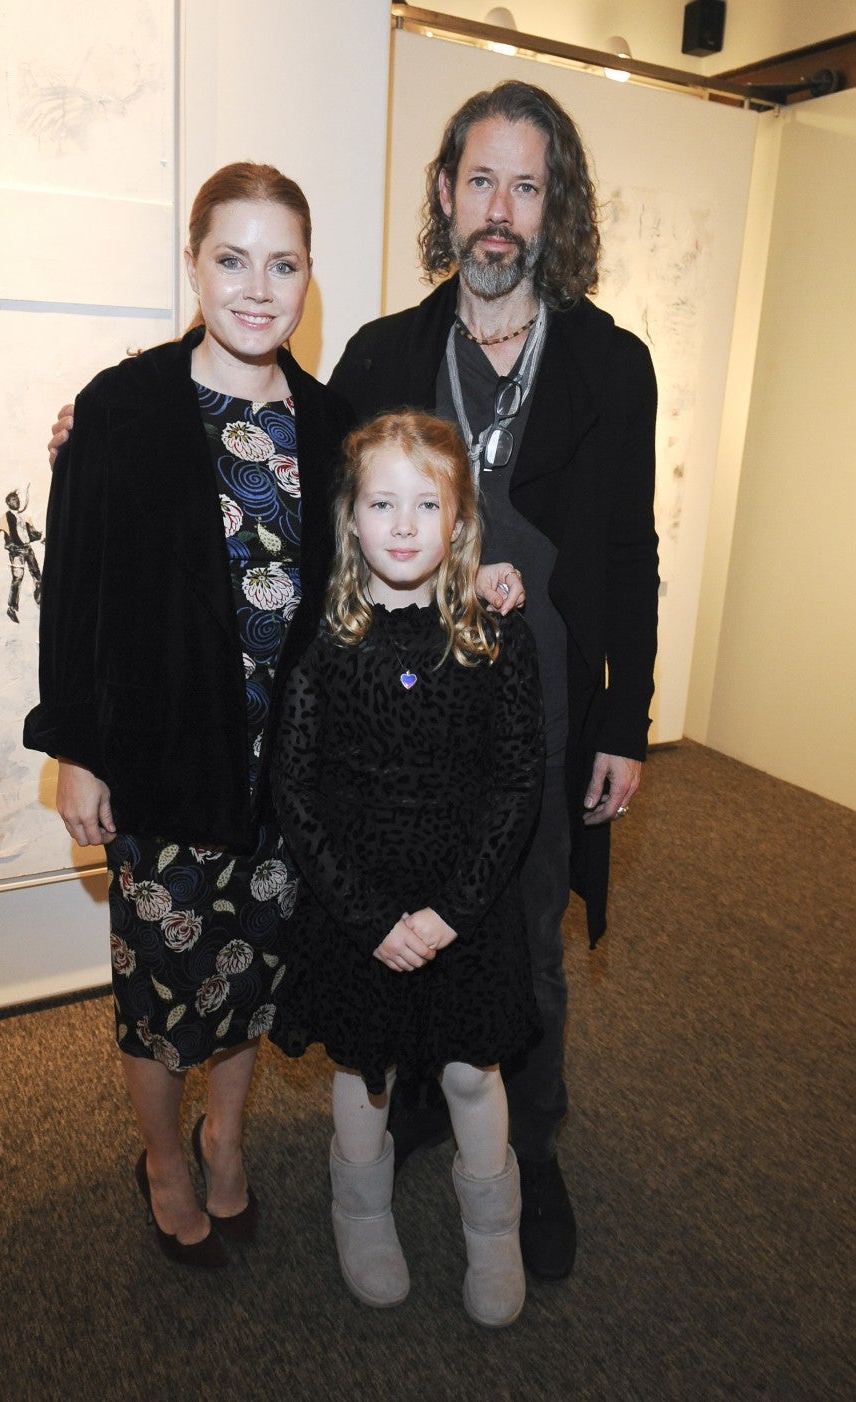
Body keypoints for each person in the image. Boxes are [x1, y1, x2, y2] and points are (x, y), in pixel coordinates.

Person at [327, 80, 659, 1281]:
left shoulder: (611, 365)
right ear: (445, 191)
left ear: (552, 203)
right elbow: (295, 469)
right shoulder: (382, 354)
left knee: (523, 942)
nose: (501, 211)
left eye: (526, 185)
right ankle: (423, 1098)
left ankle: (532, 1145)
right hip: (402, 722)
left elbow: (630, 551)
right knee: (408, 919)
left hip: (546, 717)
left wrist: (625, 719)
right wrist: (117, 425)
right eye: (481, 181)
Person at [24, 162, 353, 1267]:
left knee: (252, 979)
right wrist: (75, 750)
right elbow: (73, 592)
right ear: (193, 264)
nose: (258, 288)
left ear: (308, 276)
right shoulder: (120, 409)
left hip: (283, 778)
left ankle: (226, 1138)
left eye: (283, 264)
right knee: (162, 992)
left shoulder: (334, 425)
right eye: (232, 259)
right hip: (161, 764)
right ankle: (164, 1158)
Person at [269, 410, 544, 1327]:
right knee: (367, 1070)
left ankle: (494, 1228)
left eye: (427, 504)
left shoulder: (495, 636)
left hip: (467, 905)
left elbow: (518, 784)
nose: (402, 524)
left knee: (471, 1072)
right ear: (350, 517)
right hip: (362, 909)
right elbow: (296, 791)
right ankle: (360, 1211)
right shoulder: (324, 643)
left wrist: (452, 912)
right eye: (381, 503)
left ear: (461, 520)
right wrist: (370, 919)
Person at [0, 486, 43, 623]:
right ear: (8, 502)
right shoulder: (4, 519)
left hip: (28, 550)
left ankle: (40, 599)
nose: (17, 501)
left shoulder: (25, 517)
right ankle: (12, 608)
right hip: (16, 553)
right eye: (14, 499)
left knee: (38, 576)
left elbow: (32, 533)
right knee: (17, 578)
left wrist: (42, 537)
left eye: (18, 499)